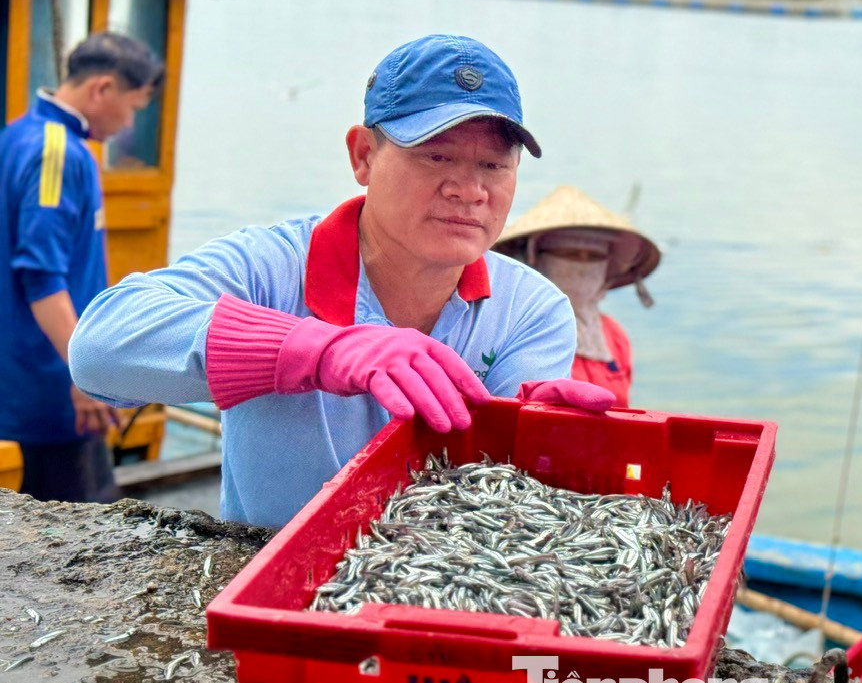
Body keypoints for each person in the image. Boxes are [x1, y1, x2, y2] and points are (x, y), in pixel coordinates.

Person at [68, 35, 612, 528]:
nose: (468, 190)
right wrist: (318, 350)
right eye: (436, 156)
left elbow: (502, 504)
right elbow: (97, 349)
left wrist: (539, 435)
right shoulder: (273, 267)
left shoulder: (532, 309)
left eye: (494, 166)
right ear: (363, 156)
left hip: (435, 585)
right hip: (265, 578)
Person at [1, 33, 163, 503]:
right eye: (133, 107)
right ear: (102, 89)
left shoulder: (18, 133)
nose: (130, 122)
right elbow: (41, 276)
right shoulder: (59, 152)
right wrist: (84, 374)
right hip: (52, 395)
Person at [492, 185, 660, 407]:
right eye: (569, 254)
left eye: (593, 256)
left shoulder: (614, 336)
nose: (581, 266)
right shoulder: (511, 326)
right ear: (536, 258)